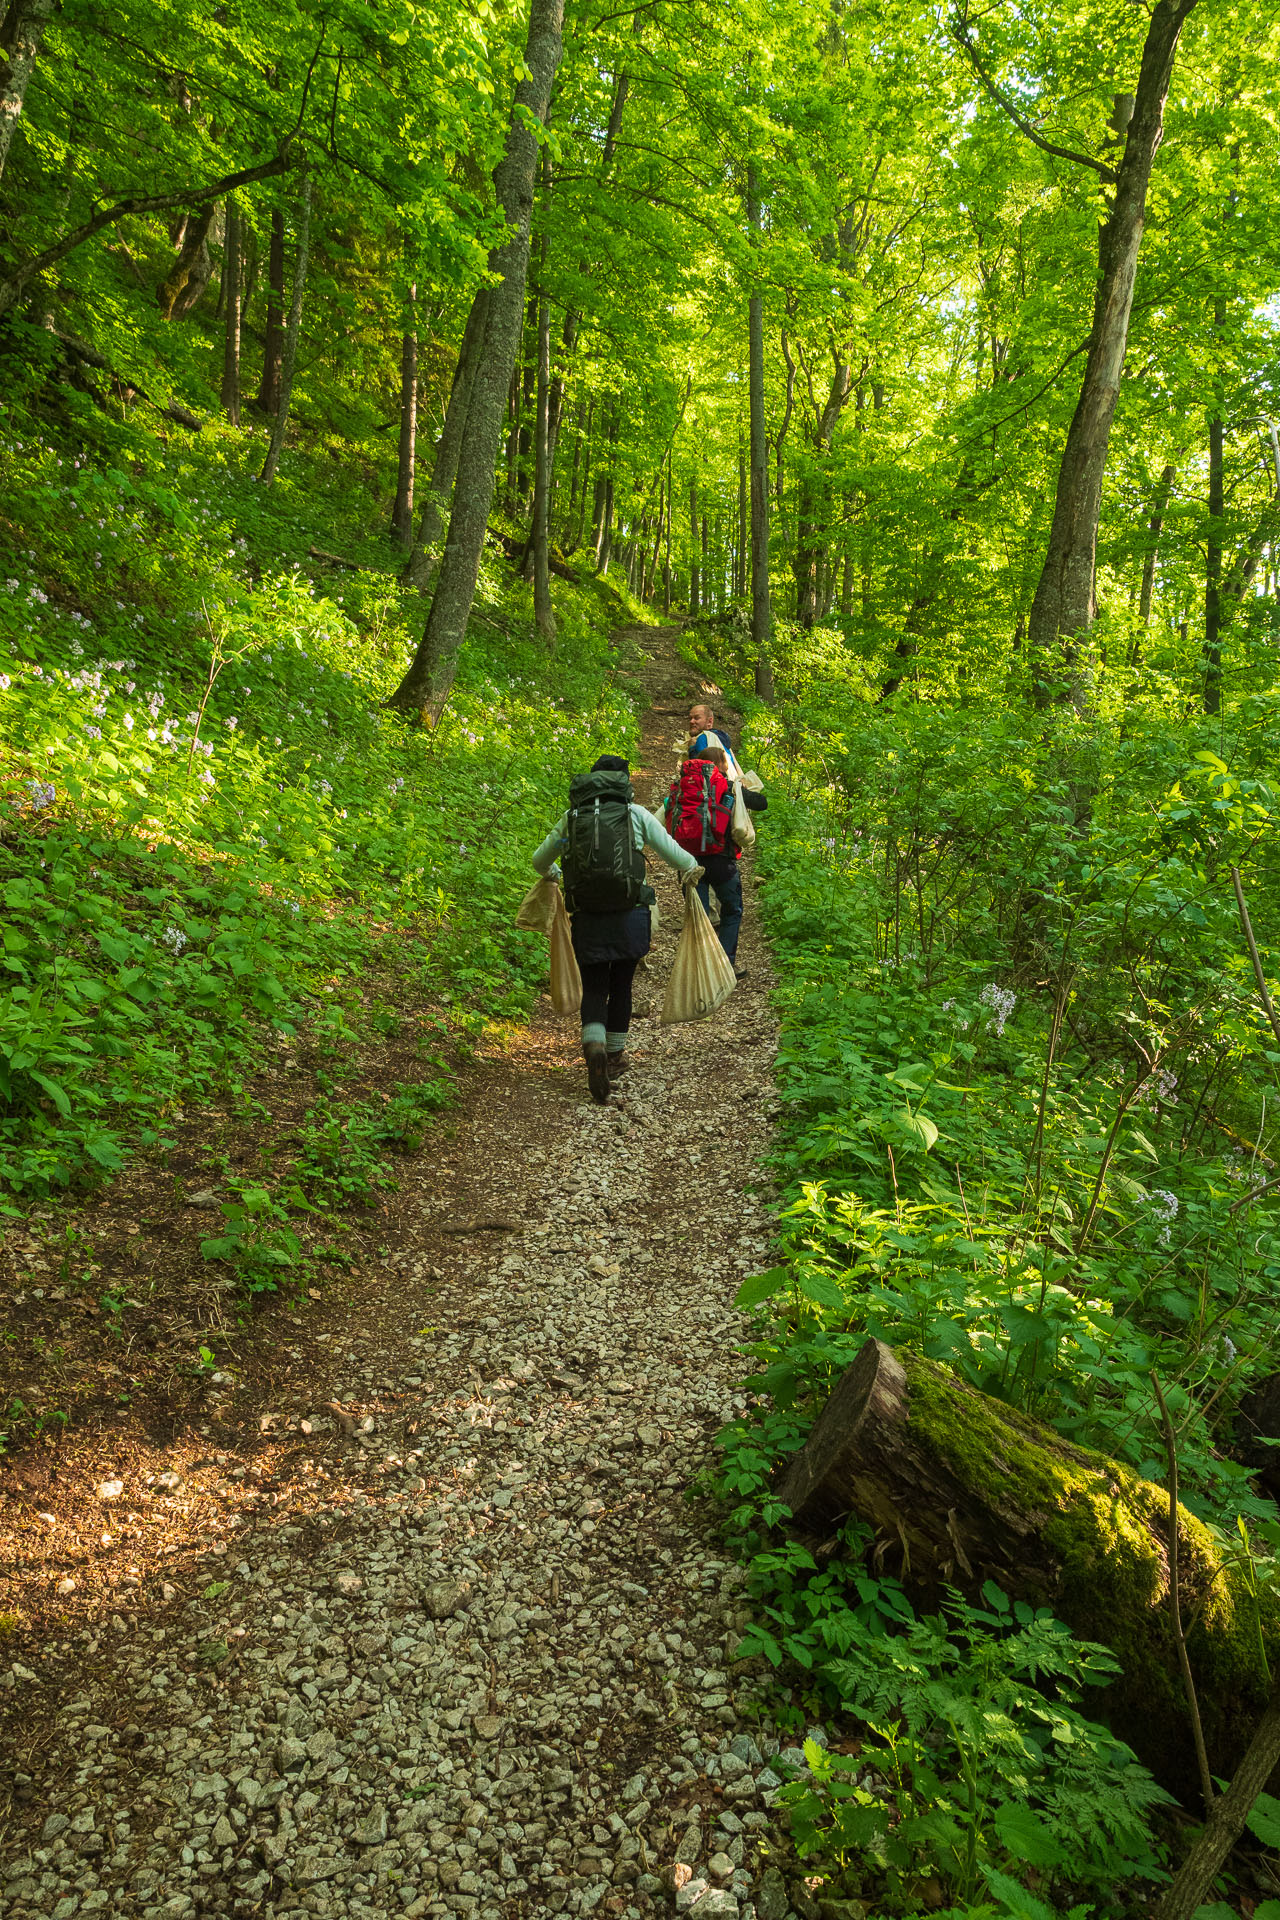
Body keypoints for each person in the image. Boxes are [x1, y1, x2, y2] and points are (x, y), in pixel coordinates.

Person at [531, 754, 700, 1104]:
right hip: (629, 913)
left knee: (595, 984)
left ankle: (592, 1043)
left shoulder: (573, 818)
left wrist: (557, 877)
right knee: (622, 983)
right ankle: (612, 1057)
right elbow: (678, 857)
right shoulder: (634, 814)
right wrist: (693, 868)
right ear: (624, 784)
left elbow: (539, 860)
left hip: (587, 914)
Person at [663, 746, 767, 979]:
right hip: (722, 861)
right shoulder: (728, 786)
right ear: (721, 763)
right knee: (732, 910)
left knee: (697, 916)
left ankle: (699, 967)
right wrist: (741, 789)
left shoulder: (682, 787)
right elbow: (762, 803)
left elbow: (663, 816)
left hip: (688, 862)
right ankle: (725, 966)